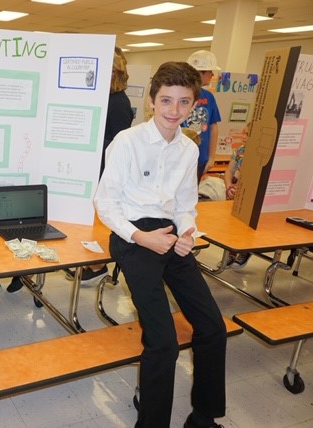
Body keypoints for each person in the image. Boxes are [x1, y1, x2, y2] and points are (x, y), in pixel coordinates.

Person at [95, 62, 227, 428]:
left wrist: (187, 233)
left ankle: (203, 415)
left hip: (170, 235)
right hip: (133, 236)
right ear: (152, 100)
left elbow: (185, 205)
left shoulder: (187, 149)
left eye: (183, 102)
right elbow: (106, 204)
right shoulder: (127, 142)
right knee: (163, 342)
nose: (174, 110)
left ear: (193, 105)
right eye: (166, 100)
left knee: (213, 327)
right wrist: (141, 237)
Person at [66, 46, 134, 285]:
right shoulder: (104, 99)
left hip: (102, 172)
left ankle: (97, 265)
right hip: (92, 168)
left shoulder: (119, 103)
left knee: (96, 222)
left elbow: (114, 146)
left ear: (113, 73)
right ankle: (91, 261)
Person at [182, 50, 222, 182]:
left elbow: (213, 126)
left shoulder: (208, 97)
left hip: (201, 158)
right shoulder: (181, 94)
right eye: (210, 71)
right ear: (199, 73)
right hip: (180, 156)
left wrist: (211, 157)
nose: (212, 74)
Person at [222, 125, 251, 269]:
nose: (244, 136)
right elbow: (229, 171)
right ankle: (230, 254)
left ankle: (245, 251)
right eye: (244, 133)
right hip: (235, 191)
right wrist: (228, 186)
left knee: (245, 226)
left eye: (248, 134)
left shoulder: (257, 155)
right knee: (231, 224)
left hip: (248, 193)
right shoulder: (239, 151)